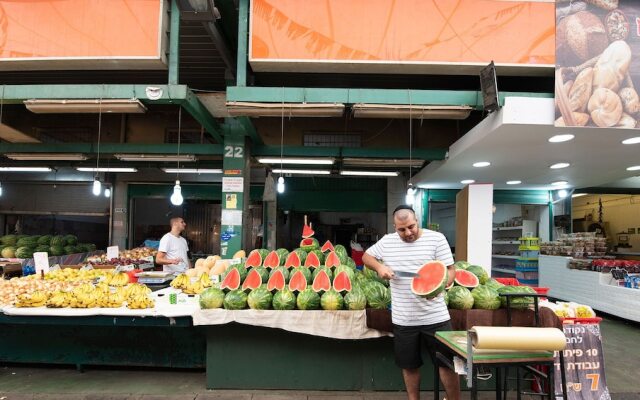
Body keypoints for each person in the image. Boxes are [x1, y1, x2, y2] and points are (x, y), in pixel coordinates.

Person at [362, 205, 460, 400]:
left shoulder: (436, 239)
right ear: (394, 226)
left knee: (447, 364)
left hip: (436, 317)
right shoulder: (387, 242)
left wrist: (439, 287)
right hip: (404, 319)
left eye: (411, 227)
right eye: (402, 229)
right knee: (409, 365)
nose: (408, 233)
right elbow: (366, 256)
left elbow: (450, 270)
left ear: (417, 221)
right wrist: (380, 267)